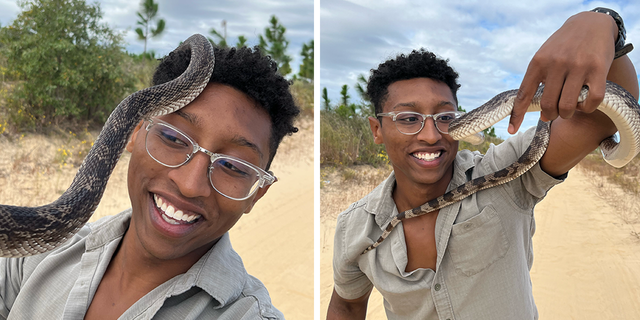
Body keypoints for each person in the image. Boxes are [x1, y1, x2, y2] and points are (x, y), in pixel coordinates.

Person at [327, 8, 638, 320]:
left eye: (446, 117)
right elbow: (347, 304)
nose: (432, 135)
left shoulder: (505, 171)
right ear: (377, 129)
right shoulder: (354, 228)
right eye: (409, 119)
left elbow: (599, 118)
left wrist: (603, 24)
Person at [0, 44, 299, 319]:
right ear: (133, 132)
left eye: (233, 166)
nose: (190, 184)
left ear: (256, 194)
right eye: (172, 138)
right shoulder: (37, 257)